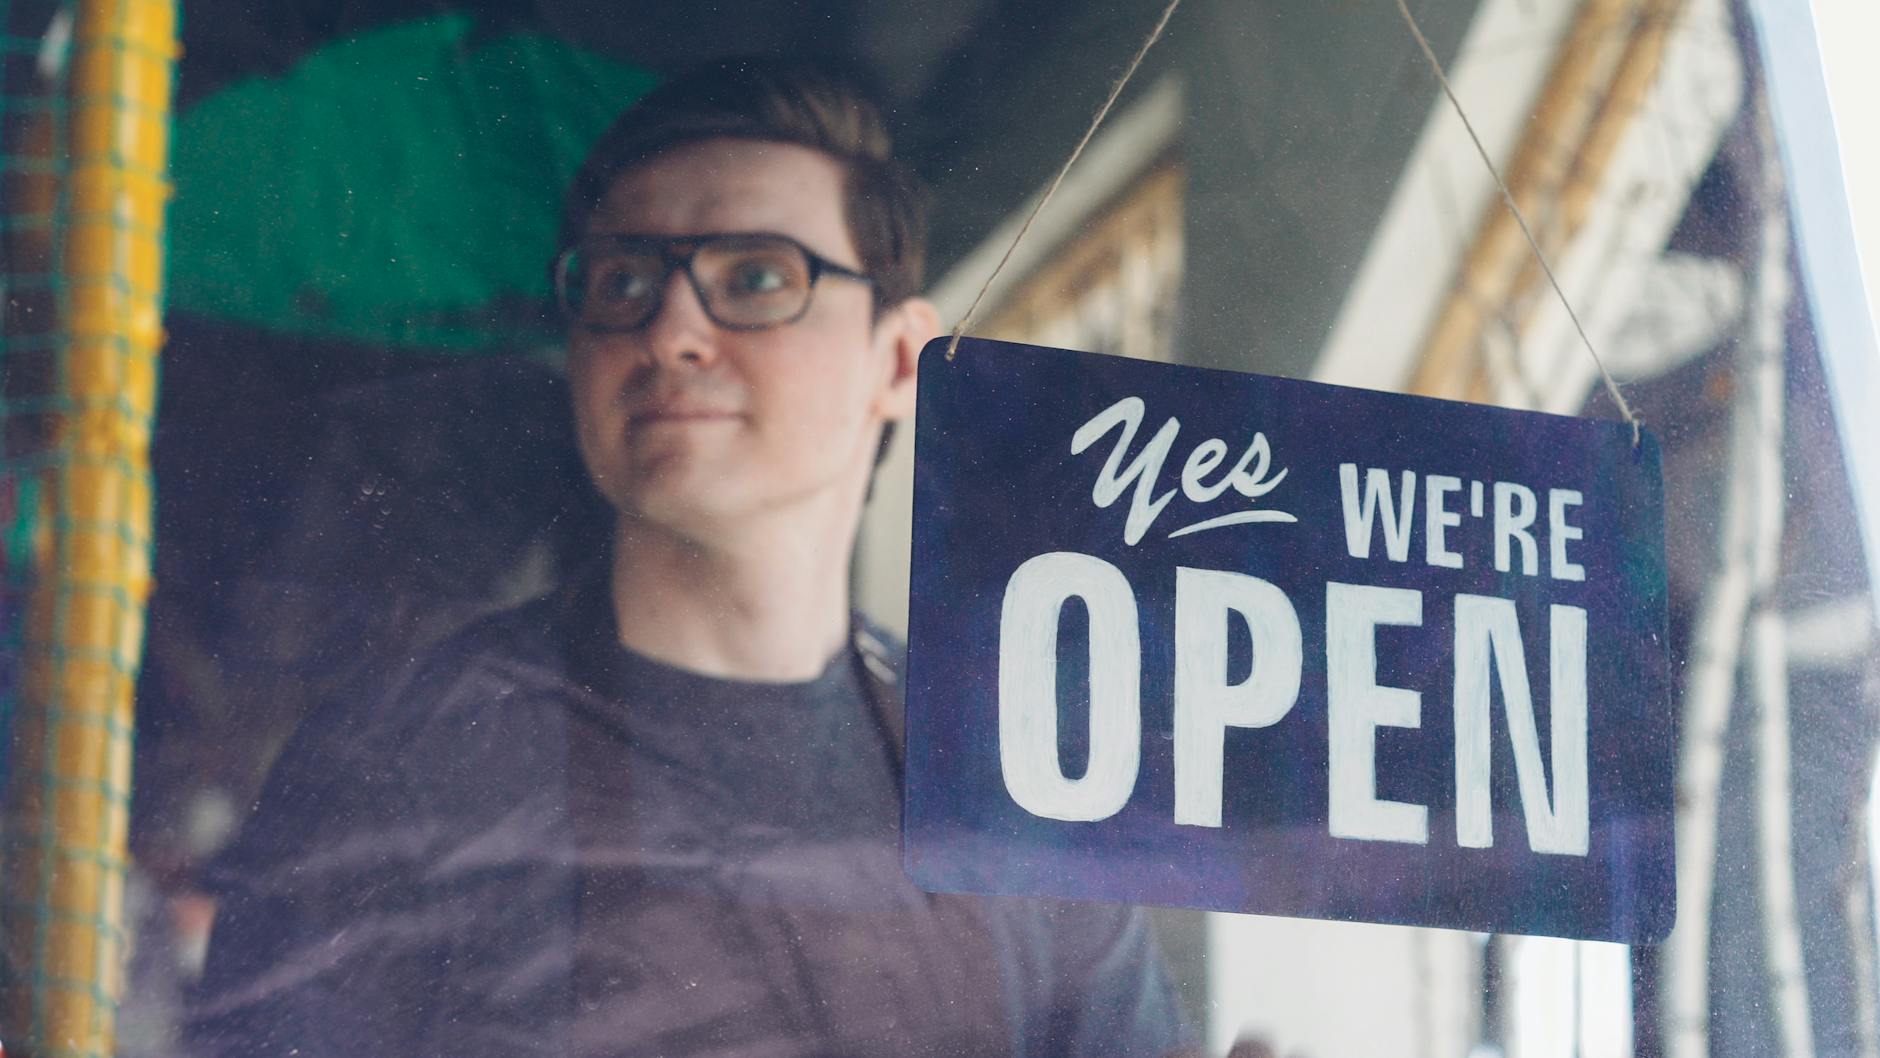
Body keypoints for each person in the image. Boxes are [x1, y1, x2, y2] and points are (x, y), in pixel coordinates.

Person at [187, 57, 1199, 1058]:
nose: (669, 329)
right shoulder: (398, 766)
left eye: (755, 277)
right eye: (623, 280)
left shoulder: (1007, 784)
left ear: (897, 360)